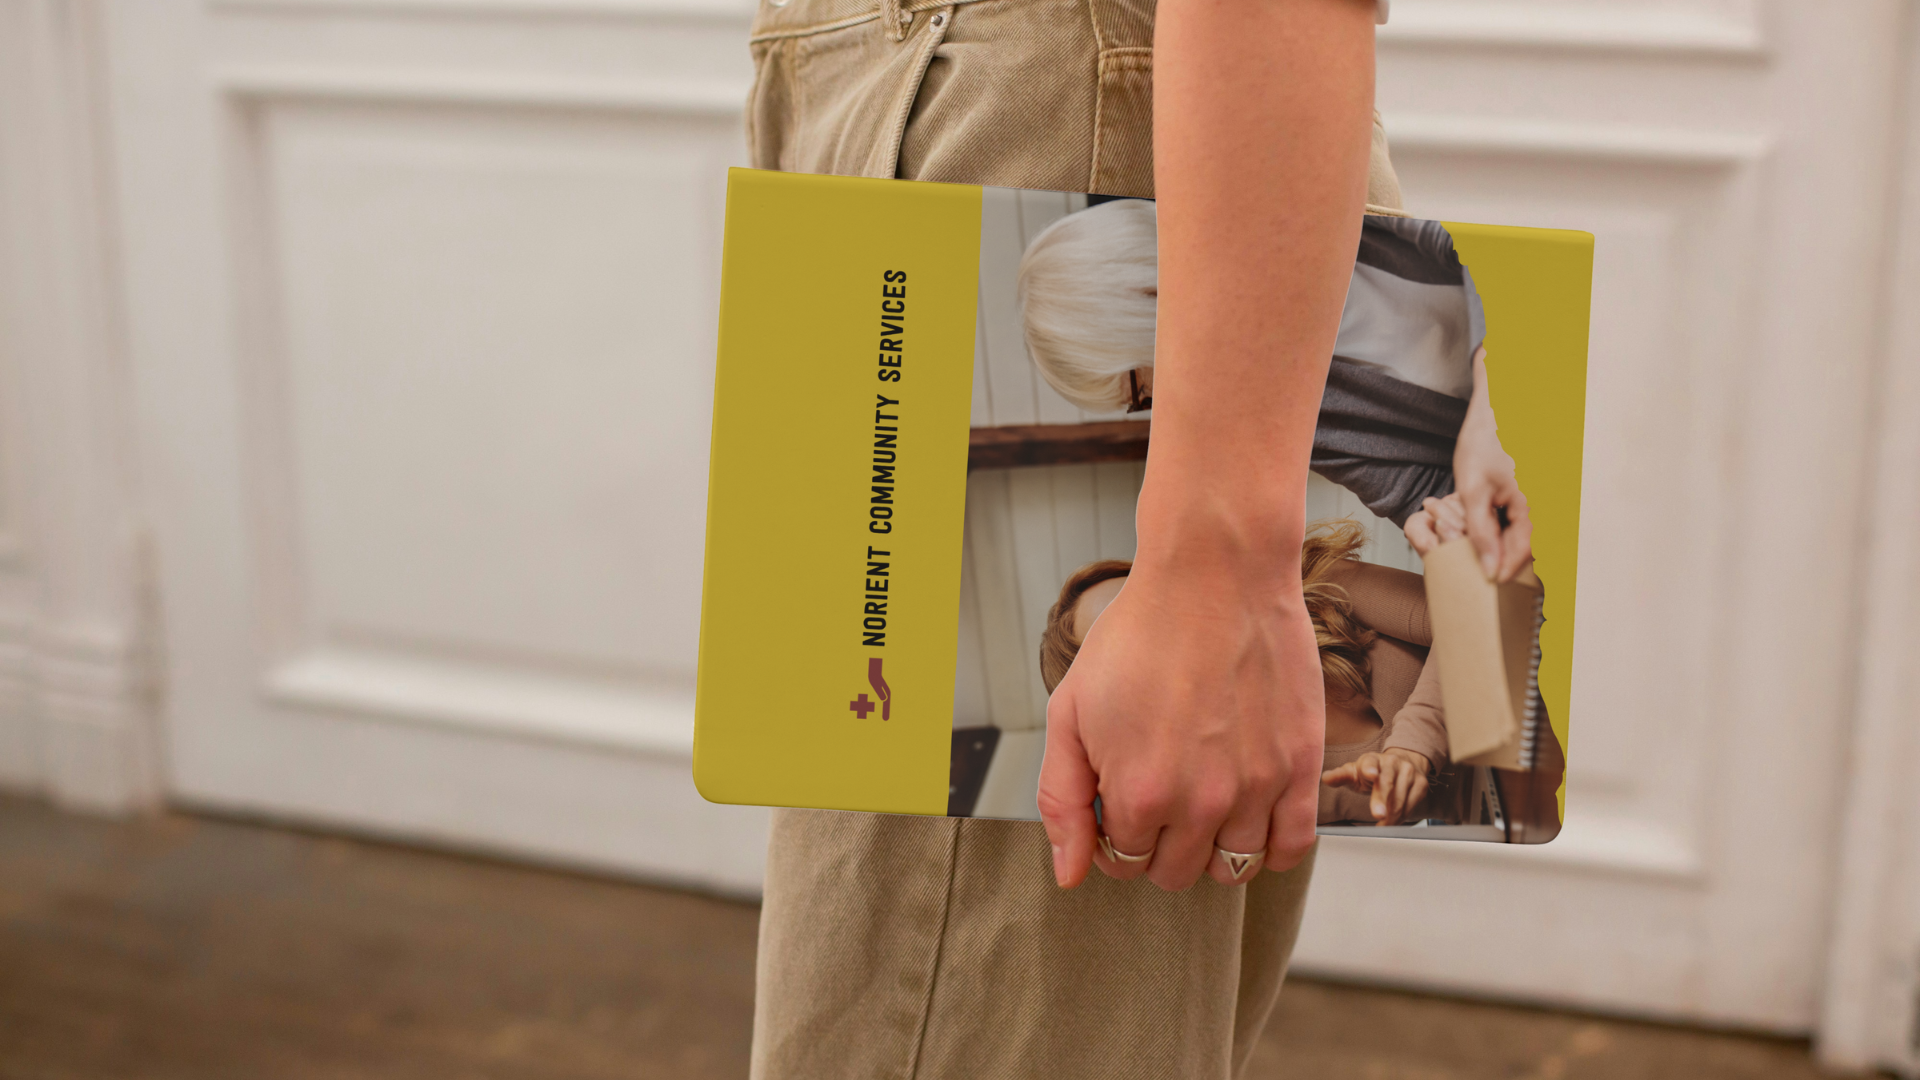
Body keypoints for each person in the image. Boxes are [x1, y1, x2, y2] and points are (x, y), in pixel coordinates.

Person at [743, 1, 1532, 1077]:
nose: (1137, 415)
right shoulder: (1379, 465)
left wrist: (1214, 565)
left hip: (1058, 102)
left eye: (1134, 390)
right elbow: (1476, 606)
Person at [1037, 520, 1451, 827]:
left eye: (1143, 595)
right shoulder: (1251, 790)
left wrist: (1412, 750)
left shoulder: (1313, 583)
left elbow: (1469, 615)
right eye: (1129, 641)